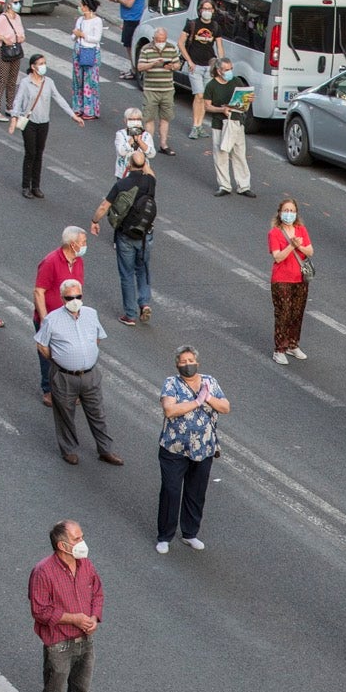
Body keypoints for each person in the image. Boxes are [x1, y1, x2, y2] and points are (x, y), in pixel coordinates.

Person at [28, 520, 107, 692]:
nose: (82, 542)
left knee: (82, 690)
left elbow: (97, 592)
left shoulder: (86, 565)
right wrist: (74, 619)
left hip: (85, 640)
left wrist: (94, 617)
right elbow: (40, 611)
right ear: (62, 545)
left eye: (81, 537)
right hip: (59, 644)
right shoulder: (43, 572)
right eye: (76, 539)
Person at [35, 279, 121, 465]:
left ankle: (105, 450)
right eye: (70, 297)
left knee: (97, 412)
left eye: (78, 296)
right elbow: (41, 344)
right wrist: (58, 359)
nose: (74, 300)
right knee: (65, 413)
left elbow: (98, 338)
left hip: (90, 375)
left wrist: (85, 355)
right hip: (64, 376)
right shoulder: (52, 319)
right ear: (62, 298)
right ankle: (69, 450)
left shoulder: (91, 314)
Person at [156, 345, 228, 553]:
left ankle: (190, 533)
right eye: (183, 362)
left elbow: (225, 407)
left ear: (197, 362)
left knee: (196, 492)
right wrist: (197, 402)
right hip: (175, 449)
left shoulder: (209, 382)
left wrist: (208, 398)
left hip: (203, 449)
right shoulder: (171, 384)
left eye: (190, 361)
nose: (188, 365)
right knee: (171, 490)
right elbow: (170, 410)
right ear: (177, 364)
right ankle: (164, 536)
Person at [91, 151, 156, 327]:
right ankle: (144, 303)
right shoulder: (150, 181)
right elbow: (150, 172)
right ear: (143, 166)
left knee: (127, 274)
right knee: (142, 269)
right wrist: (143, 161)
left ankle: (130, 314)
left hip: (125, 234)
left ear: (128, 165)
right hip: (145, 234)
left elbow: (104, 206)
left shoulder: (122, 184)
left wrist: (95, 221)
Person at [9, 55, 85, 200]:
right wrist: (14, 118)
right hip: (29, 123)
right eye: (41, 63)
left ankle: (36, 186)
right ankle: (26, 186)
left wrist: (73, 115)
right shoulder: (26, 83)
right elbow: (17, 101)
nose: (44, 66)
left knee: (39, 154)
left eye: (45, 63)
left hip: (44, 123)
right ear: (33, 67)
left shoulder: (49, 82)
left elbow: (59, 99)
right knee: (30, 153)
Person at [33, 228, 87, 404]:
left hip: (71, 317)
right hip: (52, 318)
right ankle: (49, 390)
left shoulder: (78, 262)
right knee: (48, 355)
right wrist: (45, 320)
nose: (85, 246)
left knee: (71, 354)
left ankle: (70, 389)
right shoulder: (51, 262)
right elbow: (39, 291)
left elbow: (78, 289)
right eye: (83, 242)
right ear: (73, 244)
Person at [268, 197, 313, 364]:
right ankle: (279, 349)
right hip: (282, 279)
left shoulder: (301, 230)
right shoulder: (275, 233)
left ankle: (293, 344)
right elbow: (278, 257)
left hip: (300, 279)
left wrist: (299, 246)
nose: (289, 214)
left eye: (292, 211)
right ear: (280, 213)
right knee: (283, 313)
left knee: (297, 313)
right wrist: (291, 246)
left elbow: (310, 251)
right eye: (286, 211)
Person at [203, 59, 254, 197]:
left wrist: (248, 99)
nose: (229, 72)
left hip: (236, 122)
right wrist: (221, 110)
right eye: (226, 69)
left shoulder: (236, 81)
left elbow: (243, 97)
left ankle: (243, 186)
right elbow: (207, 106)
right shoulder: (211, 86)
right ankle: (224, 185)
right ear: (219, 71)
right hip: (219, 124)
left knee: (239, 154)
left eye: (231, 68)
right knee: (220, 155)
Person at [138, 27, 180, 155]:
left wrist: (172, 66)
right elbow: (140, 67)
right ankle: (148, 145)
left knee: (165, 118)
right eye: (158, 40)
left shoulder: (171, 48)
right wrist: (153, 64)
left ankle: (163, 144)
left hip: (167, 89)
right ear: (154, 39)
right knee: (149, 118)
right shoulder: (146, 49)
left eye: (163, 40)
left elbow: (177, 65)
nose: (161, 42)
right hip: (151, 89)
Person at [180, 0, 219, 137]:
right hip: (195, 65)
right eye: (204, 8)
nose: (207, 11)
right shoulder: (192, 24)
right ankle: (195, 126)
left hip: (209, 65)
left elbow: (219, 45)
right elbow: (181, 43)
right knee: (199, 95)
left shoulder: (215, 26)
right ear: (200, 10)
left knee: (205, 97)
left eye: (209, 8)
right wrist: (189, 61)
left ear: (213, 11)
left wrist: (220, 64)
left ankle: (199, 125)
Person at [0, 0, 26, 123]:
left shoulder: (17, 18)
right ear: (8, 4)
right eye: (15, 2)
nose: (18, 4)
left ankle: (10, 107)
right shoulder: (3, 18)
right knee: (2, 79)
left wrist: (21, 38)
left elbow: (21, 32)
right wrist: (3, 38)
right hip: (3, 50)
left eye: (19, 2)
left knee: (12, 80)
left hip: (15, 50)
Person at [105, 0, 144, 80]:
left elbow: (129, 3)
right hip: (128, 18)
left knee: (130, 45)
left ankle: (135, 70)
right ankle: (133, 68)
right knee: (128, 45)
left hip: (133, 18)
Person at [71, 0, 103, 120]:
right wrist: (76, 34)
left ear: (87, 7)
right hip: (78, 50)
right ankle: (78, 107)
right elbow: (73, 36)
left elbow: (96, 38)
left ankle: (90, 109)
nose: (80, 8)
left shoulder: (97, 21)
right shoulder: (80, 20)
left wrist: (83, 35)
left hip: (90, 51)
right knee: (78, 80)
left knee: (89, 81)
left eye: (82, 6)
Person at [114, 106, 153, 178]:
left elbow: (151, 154)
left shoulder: (146, 135)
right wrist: (130, 141)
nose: (135, 122)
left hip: (142, 173)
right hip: (124, 173)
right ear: (125, 121)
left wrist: (140, 141)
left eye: (137, 119)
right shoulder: (120, 134)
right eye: (131, 120)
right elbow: (121, 152)